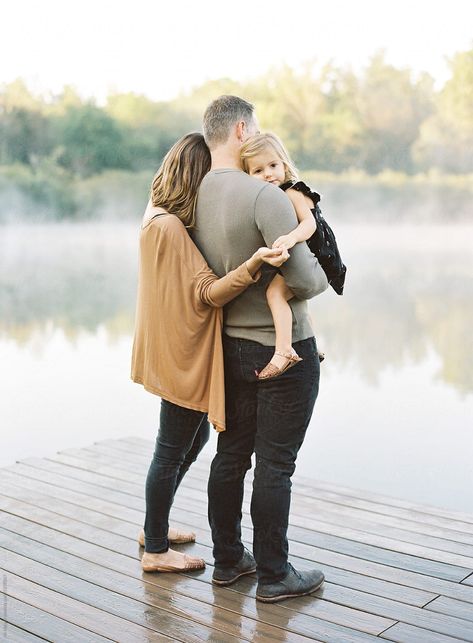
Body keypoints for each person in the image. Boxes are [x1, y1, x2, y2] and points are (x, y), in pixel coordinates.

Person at [131, 132, 287, 574]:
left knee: (191, 439)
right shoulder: (171, 227)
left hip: (171, 344)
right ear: (195, 176)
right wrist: (254, 263)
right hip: (183, 352)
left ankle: (153, 525)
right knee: (171, 448)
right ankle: (156, 550)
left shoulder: (154, 216)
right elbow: (208, 292)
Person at [192, 95, 328, 602]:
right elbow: (308, 280)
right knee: (275, 464)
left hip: (228, 347)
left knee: (231, 455)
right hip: (282, 349)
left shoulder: (194, 194)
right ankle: (275, 575)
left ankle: (228, 561)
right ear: (243, 130)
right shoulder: (263, 196)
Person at [240, 132, 345, 378]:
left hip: (321, 257)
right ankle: (311, 345)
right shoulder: (273, 195)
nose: (268, 174)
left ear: (284, 164)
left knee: (275, 293)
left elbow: (310, 224)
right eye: (258, 170)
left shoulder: (292, 191)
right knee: (294, 297)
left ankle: (284, 350)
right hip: (313, 256)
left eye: (273, 165)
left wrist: (291, 238)